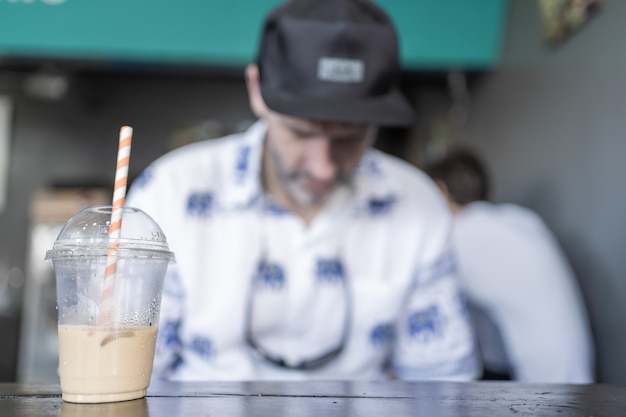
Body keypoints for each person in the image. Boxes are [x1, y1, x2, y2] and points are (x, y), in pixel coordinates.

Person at [126, 0, 480, 381]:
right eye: (301, 133)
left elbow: (441, 386)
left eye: (351, 137)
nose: (323, 166)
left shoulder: (417, 204)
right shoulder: (169, 191)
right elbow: (126, 377)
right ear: (256, 89)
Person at [426, 147, 595, 383]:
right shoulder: (523, 220)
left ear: (440, 191)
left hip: (546, 398)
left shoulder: (456, 237)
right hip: (583, 383)